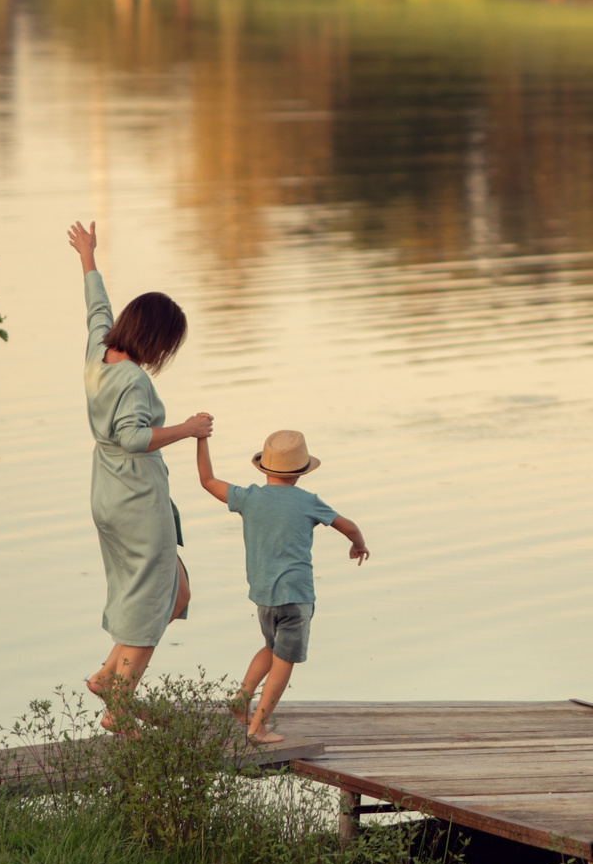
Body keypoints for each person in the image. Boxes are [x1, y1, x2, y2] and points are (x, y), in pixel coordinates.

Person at [68, 221, 211, 726]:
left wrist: (88, 257)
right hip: (133, 495)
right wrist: (188, 428)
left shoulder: (99, 352)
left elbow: (96, 308)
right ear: (155, 338)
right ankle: (119, 704)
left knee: (175, 589)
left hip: (109, 490)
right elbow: (132, 437)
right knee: (152, 597)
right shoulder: (130, 379)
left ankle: (108, 676)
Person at [194, 427, 368, 744]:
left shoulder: (248, 497)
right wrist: (358, 545)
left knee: (273, 649)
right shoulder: (308, 502)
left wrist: (200, 438)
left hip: (263, 597)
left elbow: (207, 480)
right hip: (296, 597)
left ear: (265, 467)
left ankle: (241, 696)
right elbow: (349, 525)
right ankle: (257, 727)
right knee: (284, 662)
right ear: (300, 472)